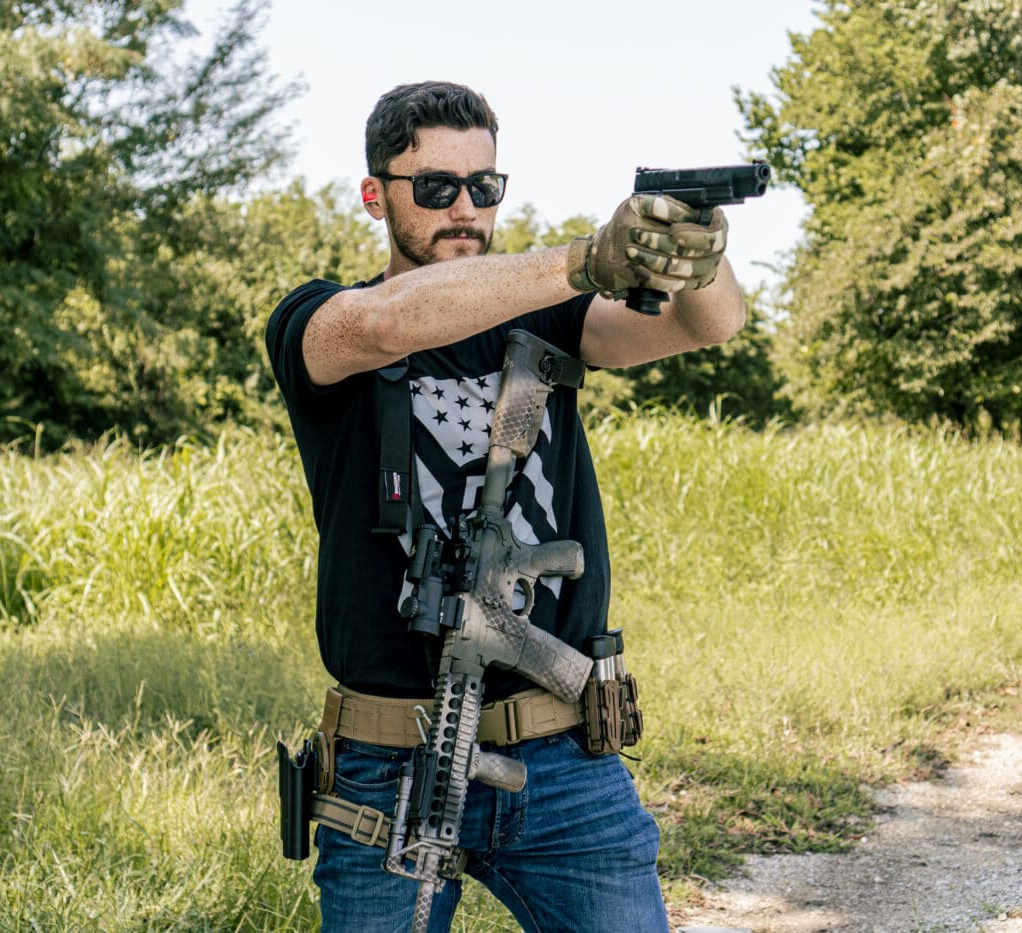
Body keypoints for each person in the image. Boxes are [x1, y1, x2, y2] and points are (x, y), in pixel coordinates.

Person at [265, 80, 743, 933]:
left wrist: (693, 242)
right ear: (375, 194)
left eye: (483, 188)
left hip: (564, 757)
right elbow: (388, 325)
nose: (464, 209)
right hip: (388, 762)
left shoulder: (551, 319)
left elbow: (708, 324)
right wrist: (584, 257)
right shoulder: (322, 320)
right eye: (436, 187)